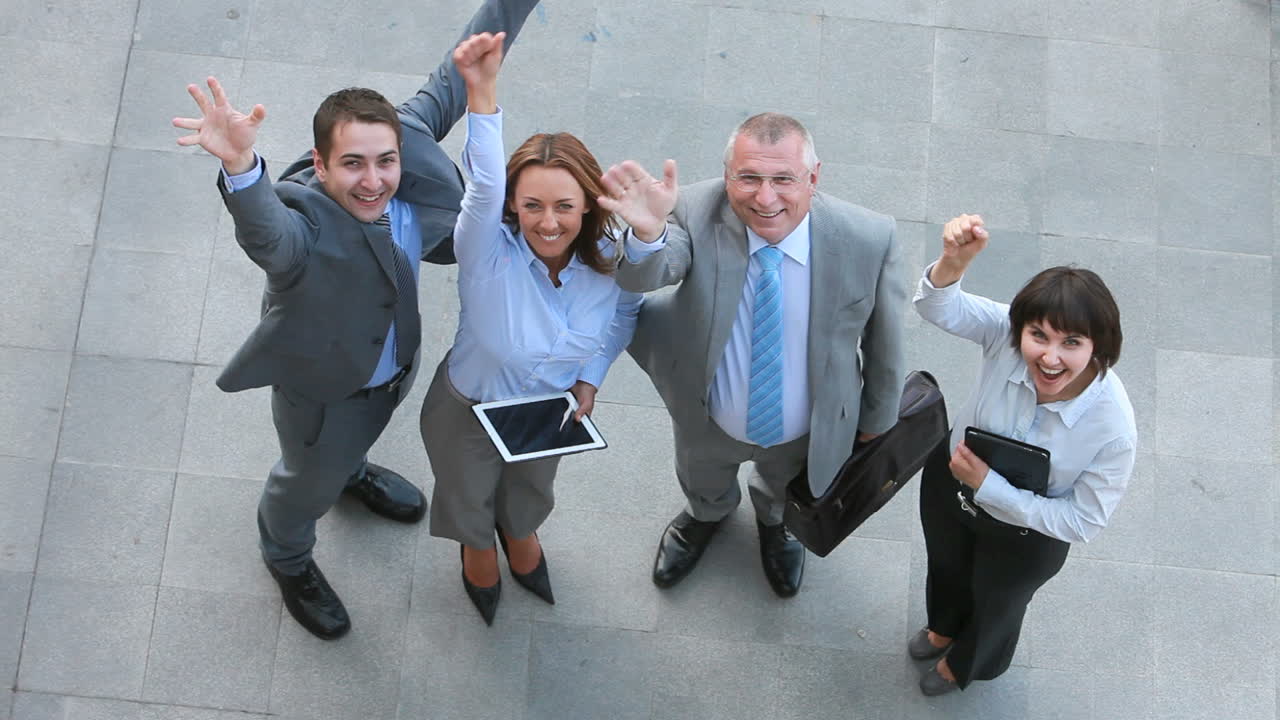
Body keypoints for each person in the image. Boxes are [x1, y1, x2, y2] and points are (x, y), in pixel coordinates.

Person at [171, 0, 540, 640]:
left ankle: (353, 471)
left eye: (385, 161)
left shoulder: (406, 143)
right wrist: (240, 169)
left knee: (351, 448)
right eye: (352, 165)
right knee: (302, 482)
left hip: (392, 363)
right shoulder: (303, 227)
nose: (374, 182)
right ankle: (287, 556)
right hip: (326, 391)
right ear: (320, 165)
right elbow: (268, 235)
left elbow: (453, 76)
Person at [598, 113, 907, 597]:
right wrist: (645, 236)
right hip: (706, 412)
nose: (766, 199)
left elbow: (886, 339)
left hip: (805, 426)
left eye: (784, 179)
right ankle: (706, 513)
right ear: (728, 177)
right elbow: (644, 277)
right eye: (749, 178)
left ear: (814, 177)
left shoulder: (869, 238)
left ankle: (777, 521)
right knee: (701, 474)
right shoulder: (693, 210)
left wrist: (876, 423)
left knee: (785, 485)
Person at [419, 32, 642, 625]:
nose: (548, 222)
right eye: (533, 205)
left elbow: (623, 316)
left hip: (549, 408)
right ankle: (477, 546)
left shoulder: (607, 265)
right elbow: (486, 183)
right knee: (468, 490)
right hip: (470, 405)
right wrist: (483, 92)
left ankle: (519, 534)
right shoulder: (485, 249)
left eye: (565, 206)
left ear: (589, 206)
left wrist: (591, 377)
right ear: (512, 206)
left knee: (532, 490)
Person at [909, 213, 1137, 695]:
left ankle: (966, 664)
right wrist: (952, 265)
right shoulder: (1007, 334)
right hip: (950, 486)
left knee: (998, 602)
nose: (1050, 357)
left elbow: (1083, 522)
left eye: (1071, 343)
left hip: (1027, 534)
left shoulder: (1113, 428)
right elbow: (937, 307)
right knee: (945, 564)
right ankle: (943, 627)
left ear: (1098, 348)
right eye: (1039, 337)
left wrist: (990, 487)